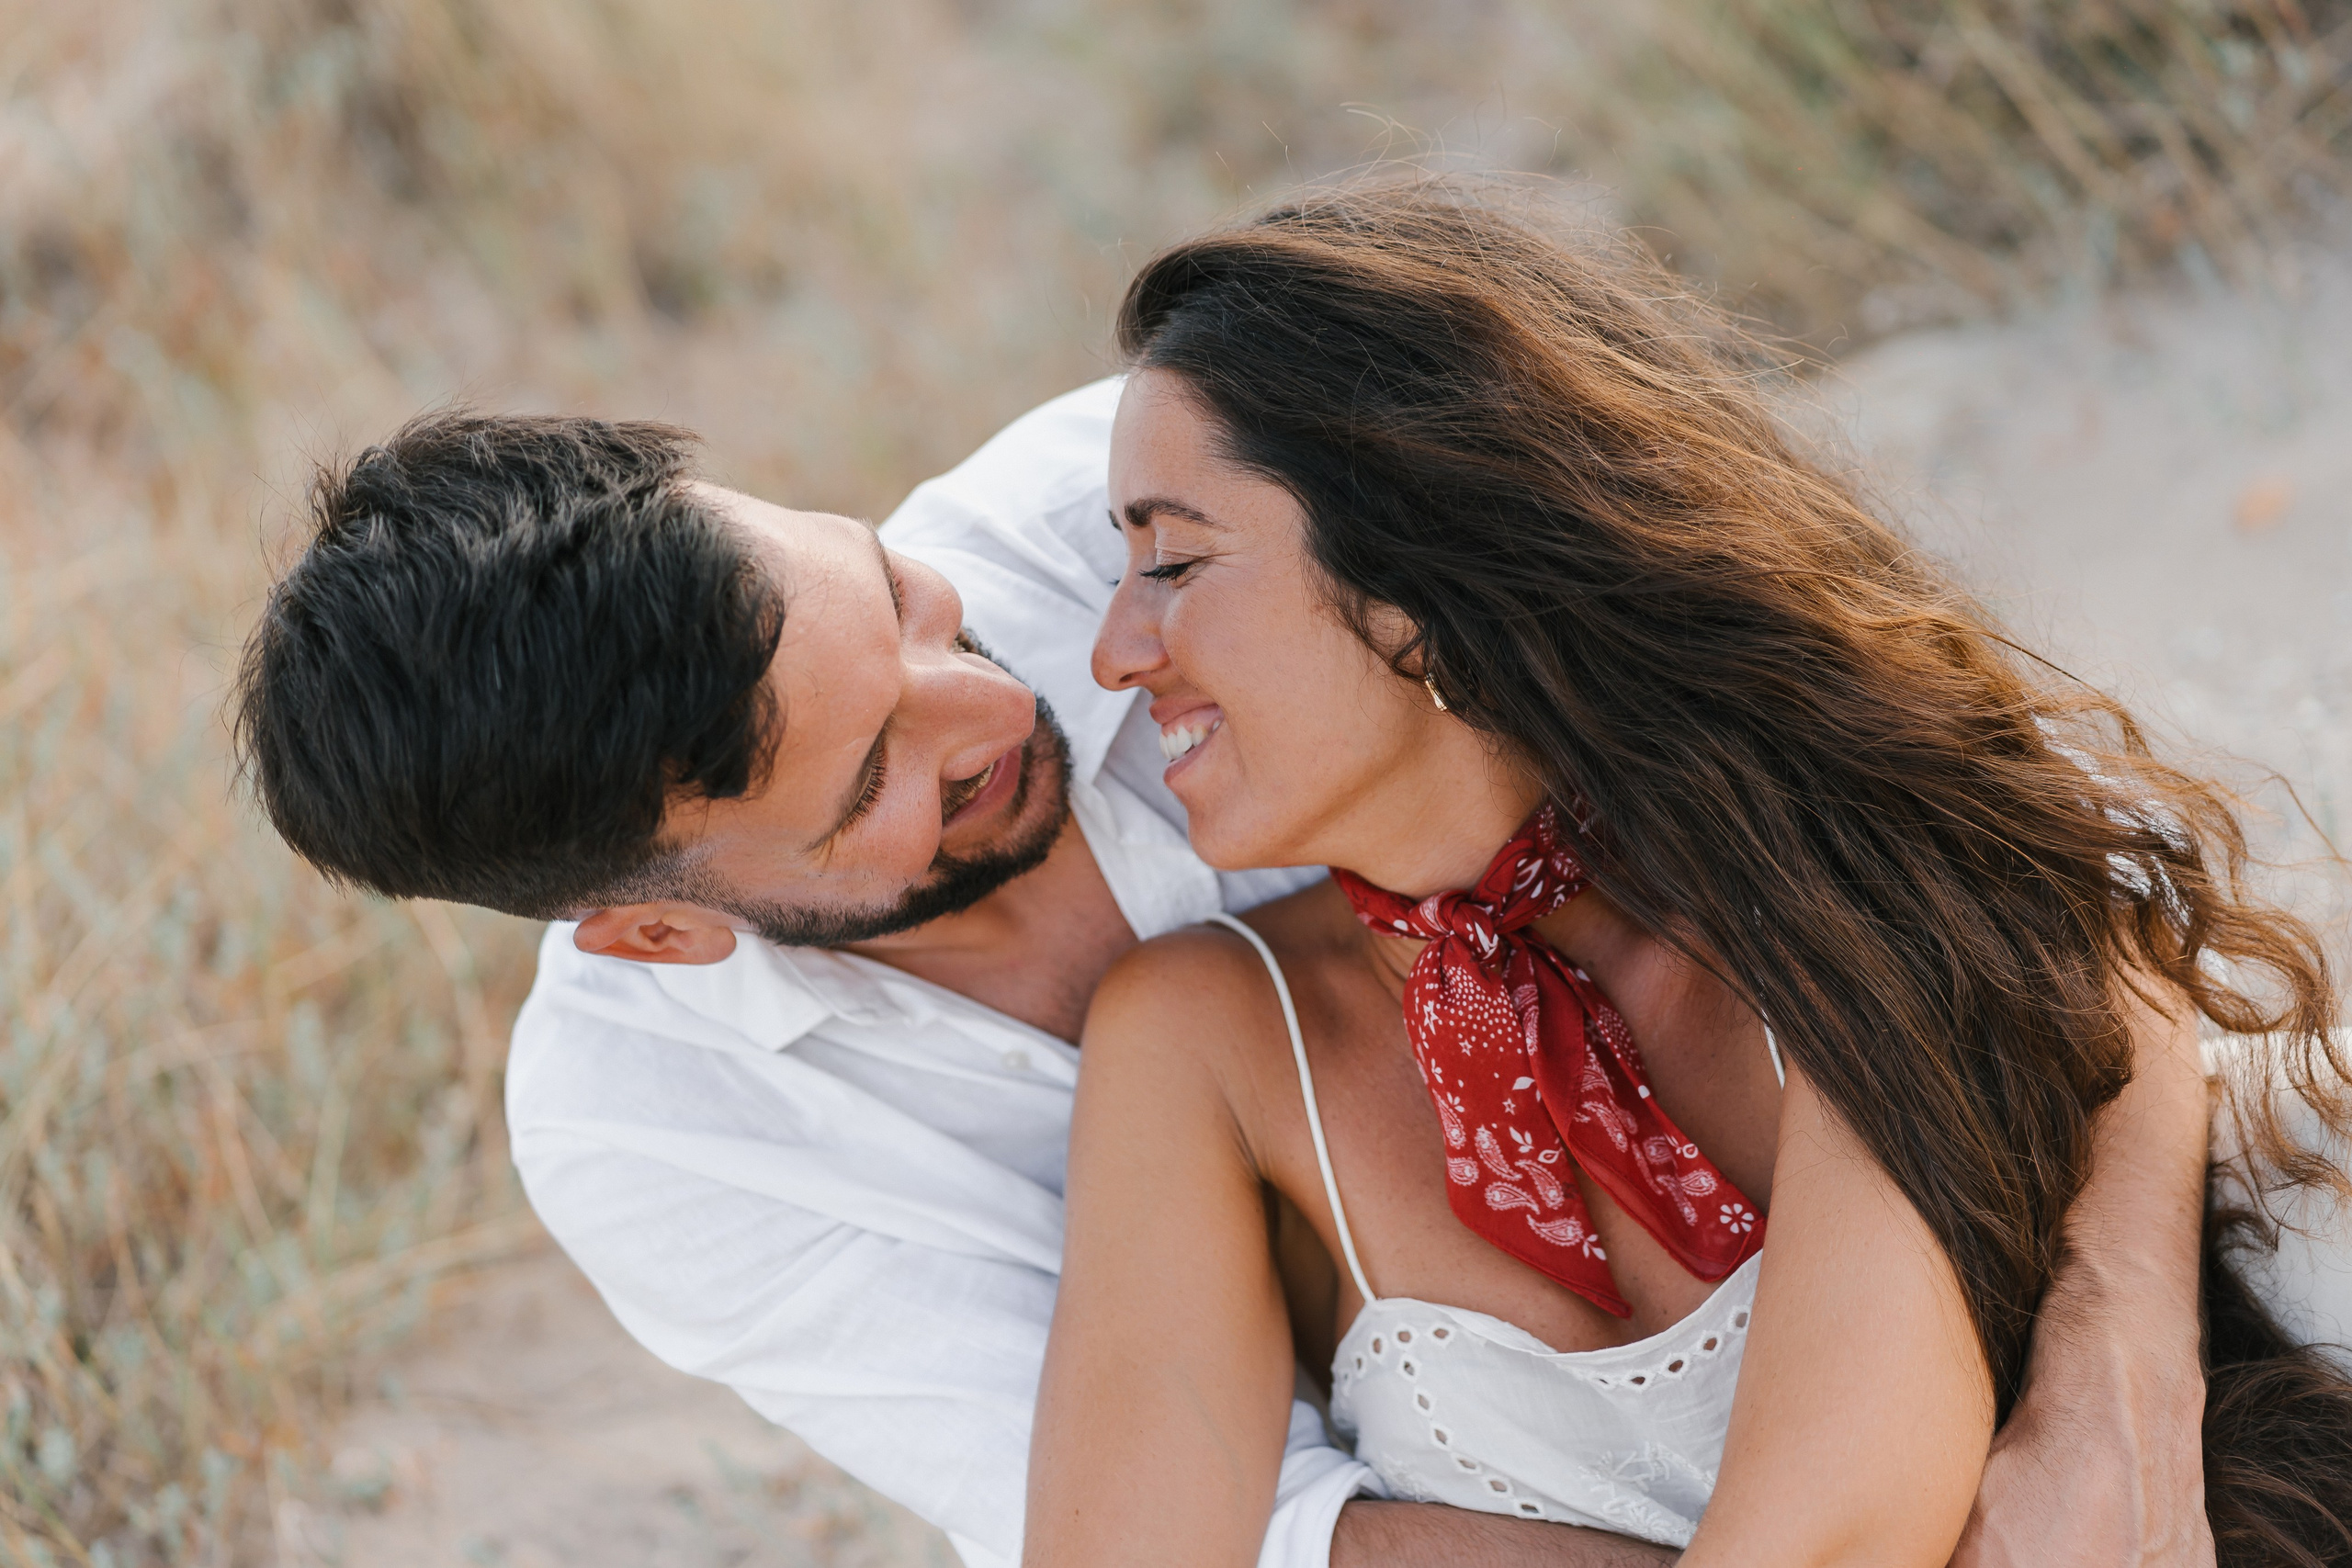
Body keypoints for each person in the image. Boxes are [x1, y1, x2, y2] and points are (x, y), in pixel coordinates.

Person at [230, 239, 2330, 1567]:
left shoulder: (1153, 480)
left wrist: (2108, 1370)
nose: (1049, 674)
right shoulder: (680, 1133)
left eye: (894, 592)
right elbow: (1221, 1535)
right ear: (663, 924)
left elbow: (2020, 866)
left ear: (1436, 595)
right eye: (879, 775)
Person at [1023, 178, 2352, 1568]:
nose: (1118, 653)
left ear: (1411, 577)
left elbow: (1844, 1526)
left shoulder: (1818, 878)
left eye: (1172, 559)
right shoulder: (1204, 1035)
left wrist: (2113, 1347)